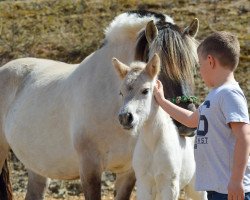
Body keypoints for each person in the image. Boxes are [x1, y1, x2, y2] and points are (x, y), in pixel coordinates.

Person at [154, 31, 250, 200]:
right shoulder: (214, 95)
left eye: (199, 65)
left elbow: (244, 137)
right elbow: (191, 120)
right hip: (217, 188)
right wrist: (162, 101)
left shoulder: (229, 94)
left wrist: (236, 180)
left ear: (210, 61)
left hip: (231, 190)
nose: (199, 71)